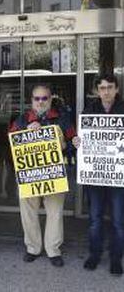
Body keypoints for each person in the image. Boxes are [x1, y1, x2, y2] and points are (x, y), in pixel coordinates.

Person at [9, 84, 76, 267]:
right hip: (29, 174)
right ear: (31, 101)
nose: (40, 102)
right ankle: (33, 248)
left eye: (44, 98)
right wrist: (25, 132)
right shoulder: (22, 120)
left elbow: (73, 143)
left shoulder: (62, 119)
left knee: (55, 212)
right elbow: (12, 142)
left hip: (54, 174)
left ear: (50, 99)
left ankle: (53, 250)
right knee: (28, 212)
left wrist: (64, 145)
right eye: (37, 98)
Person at [72, 74, 124, 276]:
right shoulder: (89, 110)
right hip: (94, 176)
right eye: (102, 88)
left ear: (117, 89)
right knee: (95, 218)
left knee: (119, 221)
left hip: (118, 176)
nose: (106, 91)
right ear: (97, 91)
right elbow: (82, 138)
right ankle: (94, 254)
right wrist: (77, 142)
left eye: (110, 87)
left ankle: (116, 259)